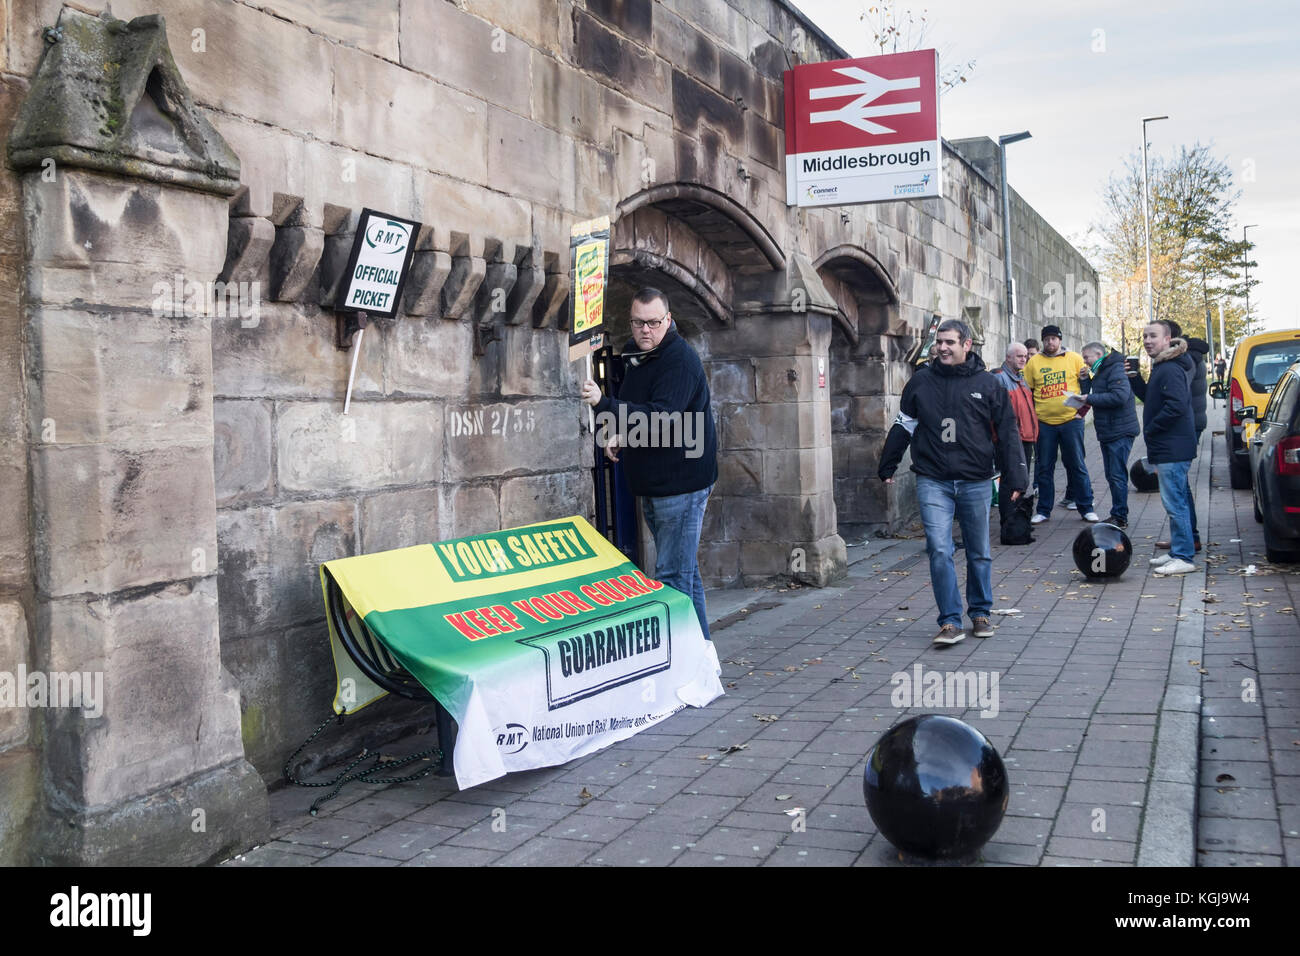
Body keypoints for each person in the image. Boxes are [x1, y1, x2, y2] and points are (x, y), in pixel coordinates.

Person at [877, 319, 1028, 646]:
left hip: (975, 480)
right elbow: (905, 425)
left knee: (979, 551)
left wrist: (1016, 476)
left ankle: (980, 612)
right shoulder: (920, 382)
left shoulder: (989, 385)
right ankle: (949, 621)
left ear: (966, 345)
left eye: (949, 342)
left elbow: (1007, 433)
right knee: (940, 549)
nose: (942, 347)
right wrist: (888, 462)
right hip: (933, 480)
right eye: (939, 342)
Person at [580, 288, 718, 638]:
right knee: (684, 573)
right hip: (655, 485)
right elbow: (643, 410)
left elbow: (663, 416)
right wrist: (623, 436)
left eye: (654, 323)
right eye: (639, 323)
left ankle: (684, 665)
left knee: (672, 577)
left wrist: (603, 403)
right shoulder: (637, 357)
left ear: (668, 321)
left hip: (682, 485)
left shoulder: (678, 360)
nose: (646, 330)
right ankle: (702, 656)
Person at [1131, 320, 1205, 553]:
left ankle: (1183, 554)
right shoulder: (1162, 365)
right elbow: (1154, 399)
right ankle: (1183, 547)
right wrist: (1135, 379)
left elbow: (1176, 405)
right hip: (1171, 442)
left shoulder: (1172, 367)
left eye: (1153, 336)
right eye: (1144, 336)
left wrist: (1152, 428)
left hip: (1173, 443)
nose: (1147, 341)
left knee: (1176, 502)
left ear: (1168, 339)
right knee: (1177, 498)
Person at [1025, 325, 1098, 523]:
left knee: (1076, 464)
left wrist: (1082, 412)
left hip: (1071, 421)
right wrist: (1032, 417)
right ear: (1042, 341)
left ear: (1060, 340)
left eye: (1054, 339)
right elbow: (1028, 392)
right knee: (1044, 467)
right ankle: (1043, 510)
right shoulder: (1033, 363)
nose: (1050, 342)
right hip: (1044, 423)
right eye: (1046, 339)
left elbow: (1087, 387)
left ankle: (1086, 507)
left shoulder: (1074, 358)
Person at [1078, 342, 1139, 528]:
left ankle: (1120, 516)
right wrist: (1085, 381)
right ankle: (1118, 513)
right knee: (1113, 474)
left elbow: (1119, 396)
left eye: (1087, 357)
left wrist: (1088, 398)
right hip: (1109, 430)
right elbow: (1097, 391)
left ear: (1098, 354)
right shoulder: (1102, 370)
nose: (1085, 362)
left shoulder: (1115, 368)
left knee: (1116, 474)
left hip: (1119, 430)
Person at [992, 341, 1039, 517]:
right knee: (1011, 481)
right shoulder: (999, 378)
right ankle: (1009, 521)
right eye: (1019, 356)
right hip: (1011, 440)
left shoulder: (1020, 378)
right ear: (1008, 357)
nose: (1023, 359)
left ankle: (1016, 518)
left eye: (1025, 356)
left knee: (1021, 480)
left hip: (1025, 438)